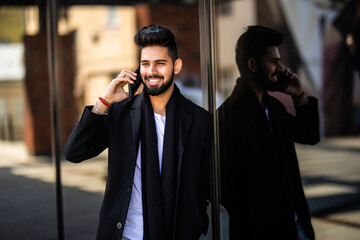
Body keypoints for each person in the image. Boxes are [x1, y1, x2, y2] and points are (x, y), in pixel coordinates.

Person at [64, 25, 212, 240]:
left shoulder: (200, 121)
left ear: (176, 66)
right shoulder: (123, 114)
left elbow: (206, 184)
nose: (151, 71)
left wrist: (195, 223)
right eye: (145, 64)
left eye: (160, 63)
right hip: (125, 234)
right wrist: (104, 102)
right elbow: (74, 152)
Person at [218, 25, 320, 239]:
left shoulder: (273, 106)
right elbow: (222, 187)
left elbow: (309, 136)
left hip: (294, 225)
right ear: (252, 64)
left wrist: (299, 96)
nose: (281, 68)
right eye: (273, 61)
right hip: (261, 231)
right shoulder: (229, 115)